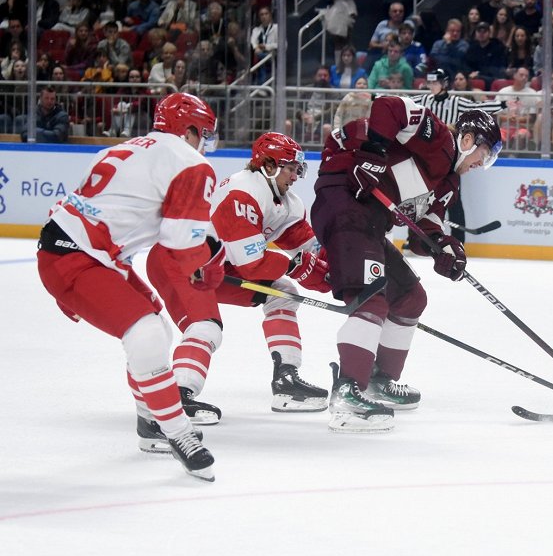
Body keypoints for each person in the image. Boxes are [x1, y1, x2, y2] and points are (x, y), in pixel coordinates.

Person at [36, 92, 219, 481]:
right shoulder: (190, 162)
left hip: (75, 251)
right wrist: (207, 267)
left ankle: (151, 421)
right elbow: (180, 245)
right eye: (203, 133)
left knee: (157, 326)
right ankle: (179, 435)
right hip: (78, 258)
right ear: (188, 130)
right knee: (147, 333)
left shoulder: (127, 147)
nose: (205, 142)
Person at [311, 101, 503, 433]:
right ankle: (347, 393)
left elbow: (425, 231)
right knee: (372, 297)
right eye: (483, 156)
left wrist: (445, 249)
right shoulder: (438, 136)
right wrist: (371, 154)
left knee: (410, 298)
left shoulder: (449, 185)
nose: (479, 165)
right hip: (344, 203)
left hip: (370, 223)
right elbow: (390, 107)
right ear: (468, 139)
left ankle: (378, 380)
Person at [147, 132, 333, 423]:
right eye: (291, 168)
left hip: (215, 266)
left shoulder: (287, 203)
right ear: (269, 165)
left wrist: (341, 275)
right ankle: (177, 398)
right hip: (178, 263)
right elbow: (252, 264)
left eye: (299, 169)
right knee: (206, 328)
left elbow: (310, 252)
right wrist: (295, 264)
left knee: (282, 291)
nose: (296, 176)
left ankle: (286, 379)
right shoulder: (242, 191)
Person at [412, 68, 505, 241]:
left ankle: (458, 240)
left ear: (444, 83)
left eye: (435, 82)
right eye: (430, 82)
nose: (432, 86)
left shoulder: (456, 102)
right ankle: (415, 238)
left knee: (453, 200)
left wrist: (503, 105)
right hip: (430, 157)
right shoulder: (424, 100)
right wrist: (373, 97)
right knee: (423, 196)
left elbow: (479, 108)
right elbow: (405, 102)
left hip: (455, 157)